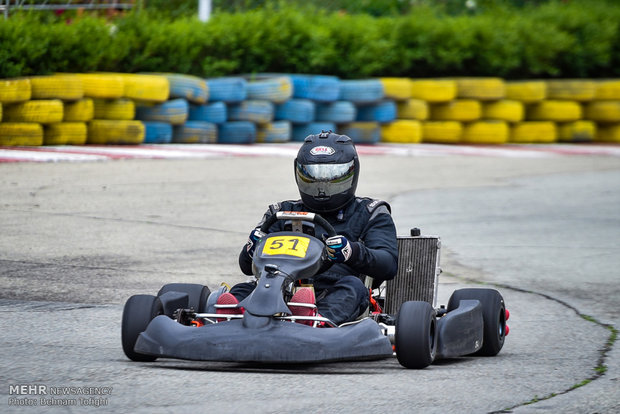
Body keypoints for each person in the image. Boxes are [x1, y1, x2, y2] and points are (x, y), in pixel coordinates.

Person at [217, 131, 398, 325]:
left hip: (335, 289)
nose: (322, 185)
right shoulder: (282, 212)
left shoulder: (370, 212)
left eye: (331, 177)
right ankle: (230, 316)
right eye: (313, 176)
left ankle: (315, 320)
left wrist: (352, 252)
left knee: (353, 287)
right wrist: (250, 249)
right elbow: (246, 268)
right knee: (247, 287)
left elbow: (388, 264)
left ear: (352, 172)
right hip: (279, 288)